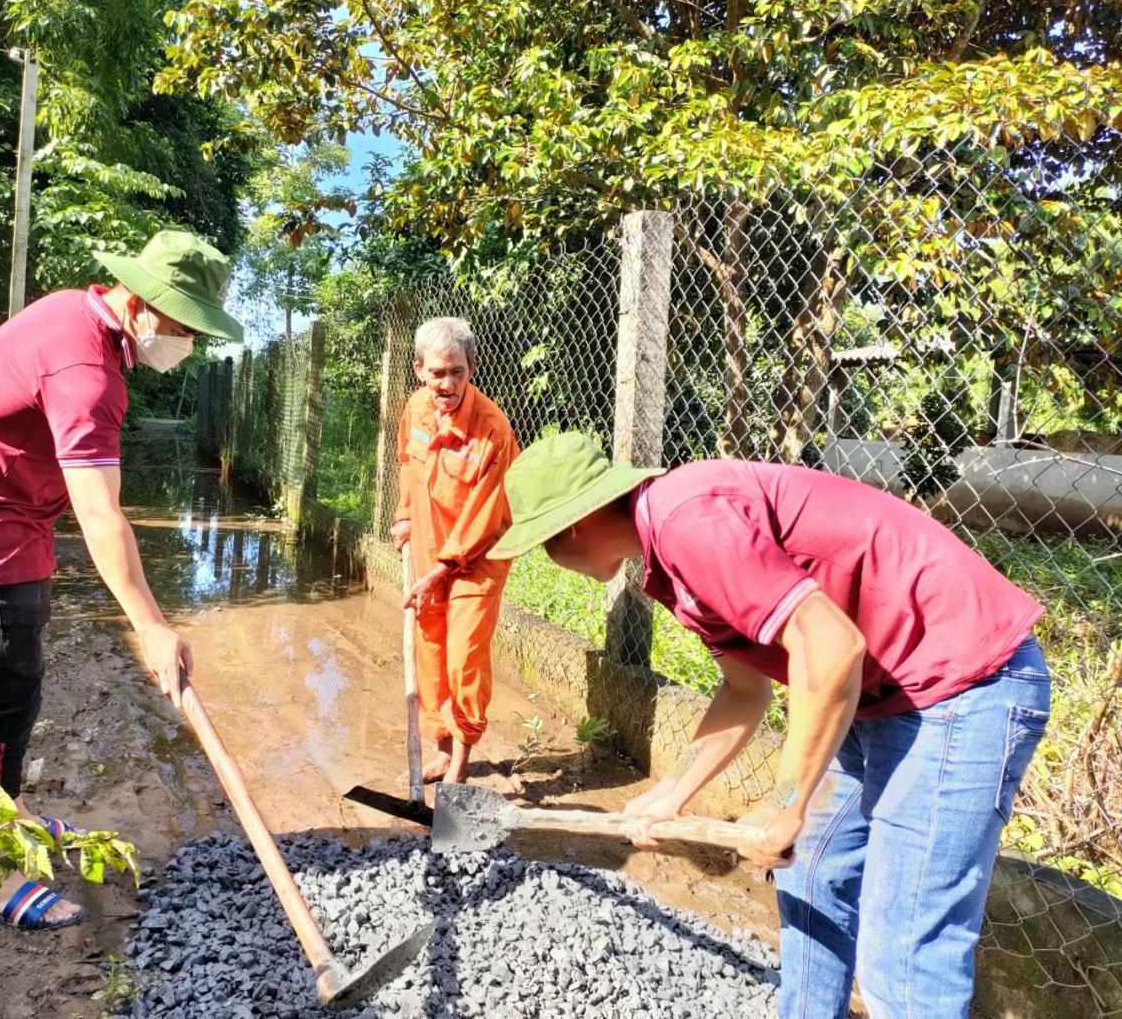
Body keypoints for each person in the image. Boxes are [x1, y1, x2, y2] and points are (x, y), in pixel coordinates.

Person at [489, 431, 1049, 1018]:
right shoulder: (668, 561)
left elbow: (832, 647)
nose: (547, 558)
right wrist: (671, 794)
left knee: (902, 955)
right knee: (809, 872)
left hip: (962, 683)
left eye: (542, 543)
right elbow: (743, 691)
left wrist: (787, 801)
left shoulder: (687, 522)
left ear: (573, 527)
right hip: (883, 697)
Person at [0, 230, 242, 931]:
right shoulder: (87, 371)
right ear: (141, 302)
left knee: (12, 687)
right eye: (184, 326)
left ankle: (5, 813)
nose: (187, 343)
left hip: (13, 525)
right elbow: (99, 513)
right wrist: (152, 626)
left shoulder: (76, 317)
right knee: (2, 699)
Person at [390, 317, 518, 784]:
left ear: (472, 369)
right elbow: (407, 464)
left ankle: (458, 771)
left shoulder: (492, 431)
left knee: (464, 659)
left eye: (457, 372)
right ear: (419, 369)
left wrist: (441, 570)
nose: (447, 384)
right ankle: (442, 751)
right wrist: (405, 516)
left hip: (478, 559)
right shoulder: (415, 409)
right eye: (438, 373)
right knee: (431, 649)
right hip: (427, 547)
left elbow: (488, 516)